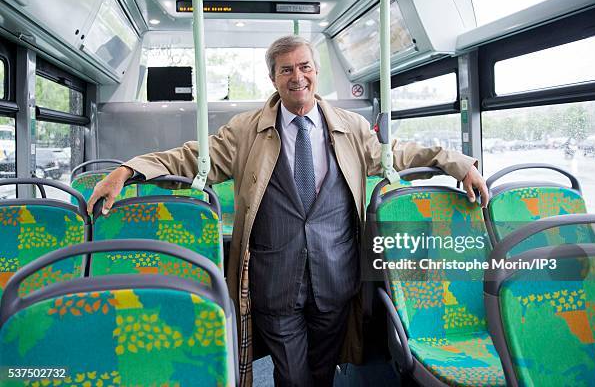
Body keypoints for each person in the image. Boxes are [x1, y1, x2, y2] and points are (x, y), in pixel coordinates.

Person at [87, 35, 489, 387]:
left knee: (321, 370)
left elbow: (400, 154)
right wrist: (128, 170)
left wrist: (460, 164)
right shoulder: (245, 131)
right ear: (274, 79)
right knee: (292, 376)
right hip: (273, 278)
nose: (298, 77)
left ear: (316, 72)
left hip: (335, 275)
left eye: (305, 67)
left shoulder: (350, 127)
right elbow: (192, 159)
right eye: (286, 70)